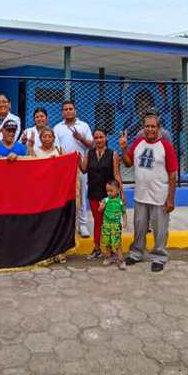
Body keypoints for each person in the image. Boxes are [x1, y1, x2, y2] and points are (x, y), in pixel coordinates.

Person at [120, 113, 178, 273]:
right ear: (143, 127)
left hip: (159, 196)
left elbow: (173, 174)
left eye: (153, 126)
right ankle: (136, 253)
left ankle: (159, 257)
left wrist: (171, 199)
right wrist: (124, 148)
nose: (149, 129)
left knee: (160, 229)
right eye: (147, 126)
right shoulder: (138, 142)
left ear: (159, 128)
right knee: (139, 226)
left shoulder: (166, 146)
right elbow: (128, 163)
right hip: (140, 195)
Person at [80, 127, 123, 260]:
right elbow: (83, 170)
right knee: (98, 222)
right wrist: (77, 159)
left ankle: (112, 249)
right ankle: (97, 248)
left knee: (111, 221)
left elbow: (117, 174)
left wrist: (121, 193)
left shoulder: (113, 154)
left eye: (101, 137)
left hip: (109, 194)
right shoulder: (89, 153)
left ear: (106, 138)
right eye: (96, 137)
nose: (98, 140)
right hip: (93, 193)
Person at [53, 100, 94, 237]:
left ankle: (83, 224)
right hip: (64, 167)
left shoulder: (83, 126)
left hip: (80, 166)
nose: (68, 111)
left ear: (75, 111)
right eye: (65, 109)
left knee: (81, 195)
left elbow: (92, 145)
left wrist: (81, 138)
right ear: (62, 112)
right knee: (64, 195)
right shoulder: (57, 128)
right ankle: (66, 224)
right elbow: (56, 148)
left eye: (70, 109)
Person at [99, 179, 127, 270]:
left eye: (111, 191)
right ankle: (108, 257)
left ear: (118, 190)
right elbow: (99, 210)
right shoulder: (105, 200)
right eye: (107, 191)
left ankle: (121, 260)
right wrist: (101, 207)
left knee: (117, 243)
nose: (109, 193)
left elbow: (124, 212)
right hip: (106, 225)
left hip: (116, 226)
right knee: (106, 242)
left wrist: (125, 221)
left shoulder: (120, 202)